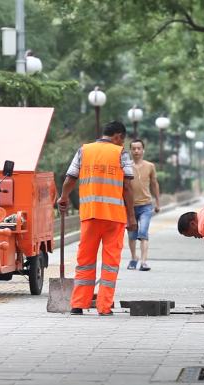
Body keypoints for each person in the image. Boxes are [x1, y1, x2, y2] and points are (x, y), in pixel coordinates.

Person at [56, 121, 137, 316]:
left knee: (85, 260)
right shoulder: (121, 154)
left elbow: (69, 179)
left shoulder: (84, 150)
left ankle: (78, 304)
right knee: (110, 263)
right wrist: (132, 217)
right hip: (114, 217)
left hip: (90, 215)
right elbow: (127, 187)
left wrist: (63, 197)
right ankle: (103, 307)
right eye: (122, 140)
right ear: (118, 136)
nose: (122, 144)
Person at [126, 139, 161, 271]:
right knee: (131, 235)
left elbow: (154, 184)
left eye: (139, 148)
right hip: (130, 206)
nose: (136, 151)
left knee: (143, 233)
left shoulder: (150, 166)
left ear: (143, 150)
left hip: (146, 205)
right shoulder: (126, 166)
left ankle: (144, 261)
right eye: (133, 148)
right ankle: (134, 258)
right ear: (130, 151)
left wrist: (157, 203)